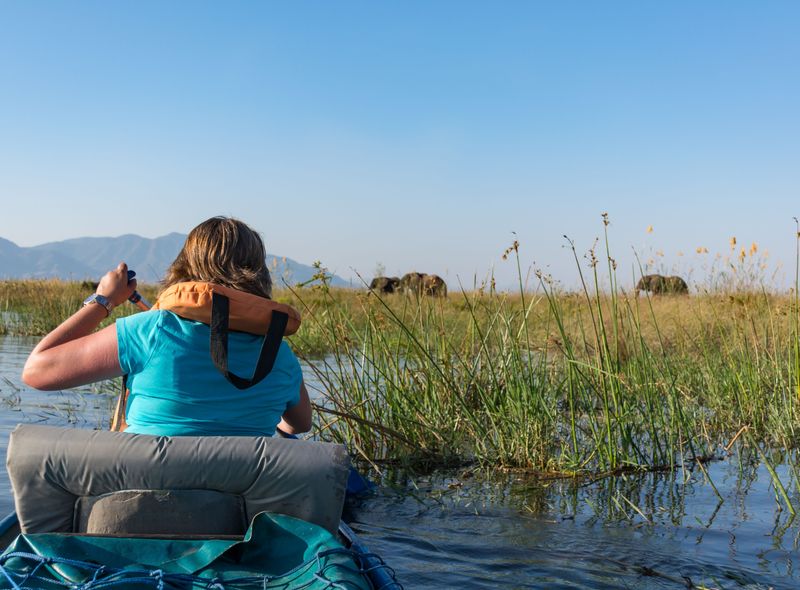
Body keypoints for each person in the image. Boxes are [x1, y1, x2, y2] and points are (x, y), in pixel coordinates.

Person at [22, 216, 311, 437]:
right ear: (258, 274)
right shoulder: (279, 355)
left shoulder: (150, 331)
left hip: (141, 499)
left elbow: (36, 372)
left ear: (185, 267)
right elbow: (299, 423)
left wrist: (103, 300)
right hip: (232, 507)